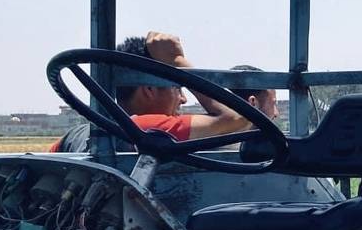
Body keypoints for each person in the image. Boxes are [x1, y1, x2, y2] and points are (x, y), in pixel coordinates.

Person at [53, 32, 254, 151]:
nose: (183, 99)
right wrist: (177, 61)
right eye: (177, 87)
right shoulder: (149, 128)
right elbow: (239, 117)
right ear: (149, 88)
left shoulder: (74, 136)